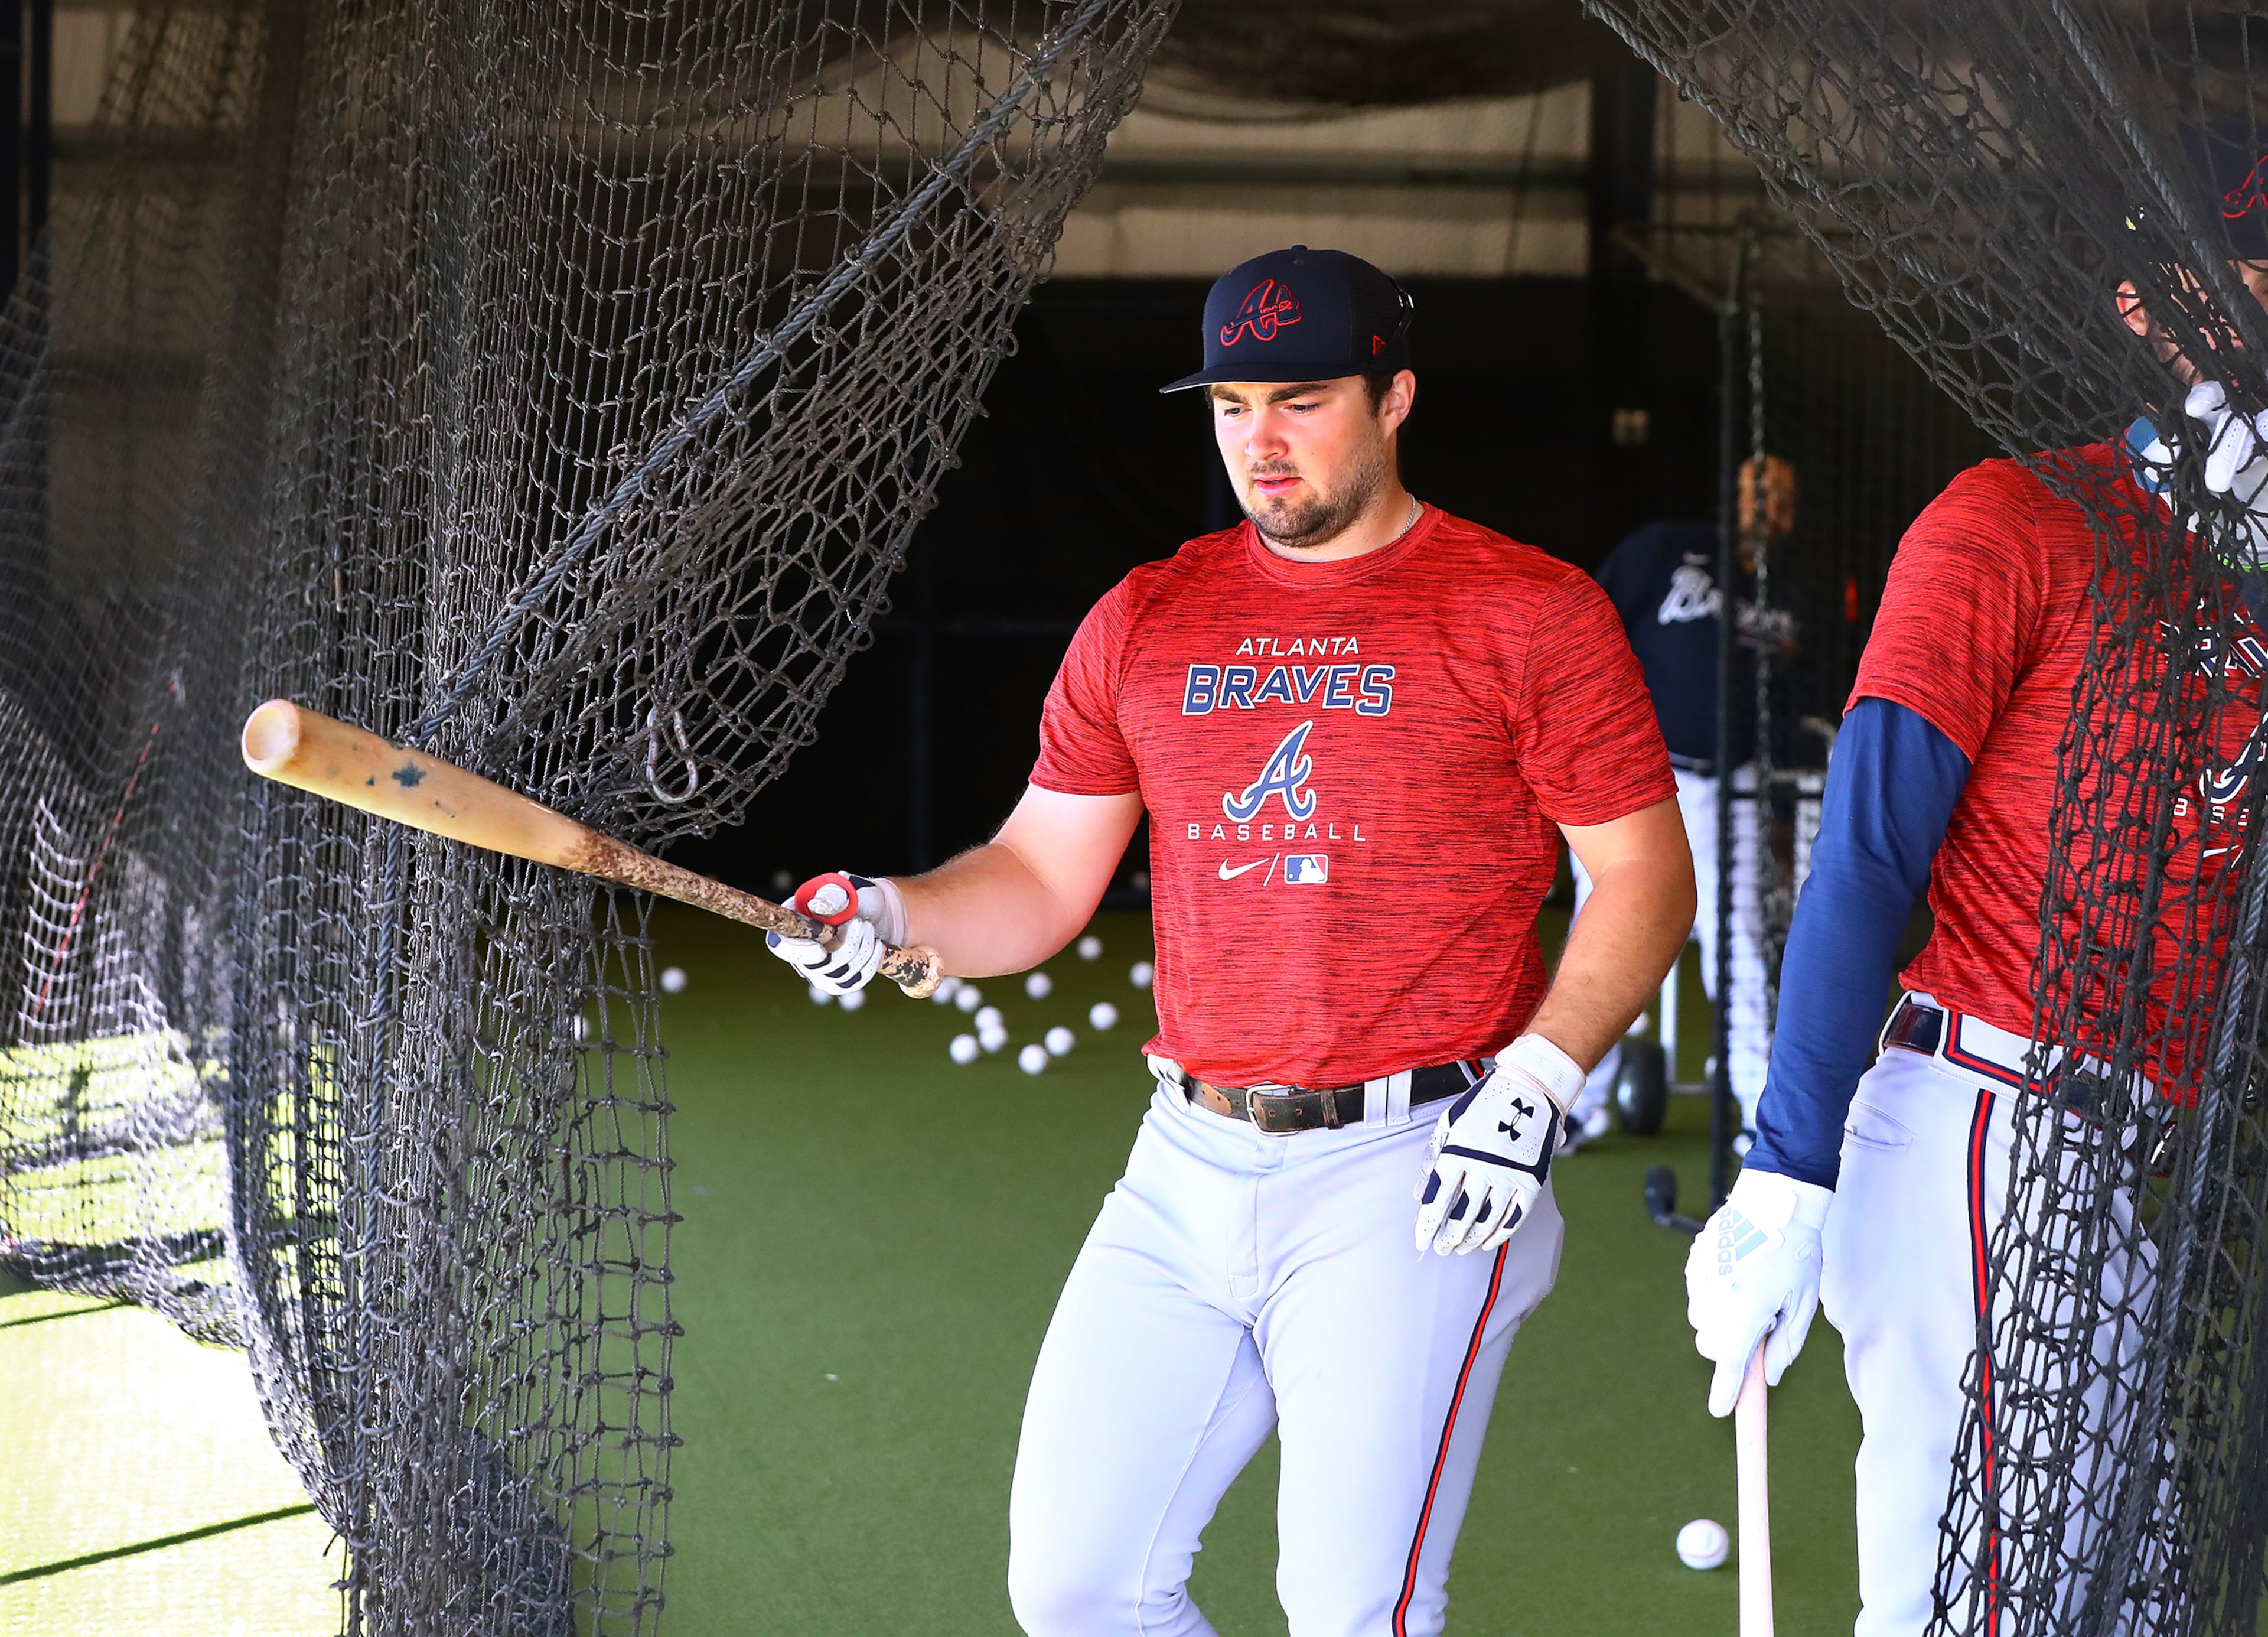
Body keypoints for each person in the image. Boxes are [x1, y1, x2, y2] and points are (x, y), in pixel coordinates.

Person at [767, 244, 1695, 1637]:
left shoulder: (1527, 611)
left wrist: (1538, 1082)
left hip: (1421, 1166)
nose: (1259, 442)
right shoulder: (1148, 613)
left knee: (1350, 1607)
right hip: (1183, 1161)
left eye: (1301, 400)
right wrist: (894, 910)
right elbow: (1032, 870)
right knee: (1079, 1587)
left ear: (1394, 397)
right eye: (1231, 405)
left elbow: (1641, 873)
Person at [1681, 125, 2268, 1636]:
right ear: (2150, 310)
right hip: (1989, 1124)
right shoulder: (2016, 518)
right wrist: (1781, 1165)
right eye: (2248, 270)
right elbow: (1867, 850)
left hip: (2155, 1161)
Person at [1565, 456, 1801, 1147]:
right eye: (1759, 490)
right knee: (1602, 937)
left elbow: (1789, 698)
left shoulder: (1789, 588)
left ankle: (1761, 1112)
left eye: (1784, 500)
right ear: (1732, 492)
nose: (1770, 508)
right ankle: (1579, 1104)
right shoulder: (1668, 548)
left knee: (1743, 947)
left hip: (1737, 786)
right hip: (1636, 782)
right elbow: (1587, 630)